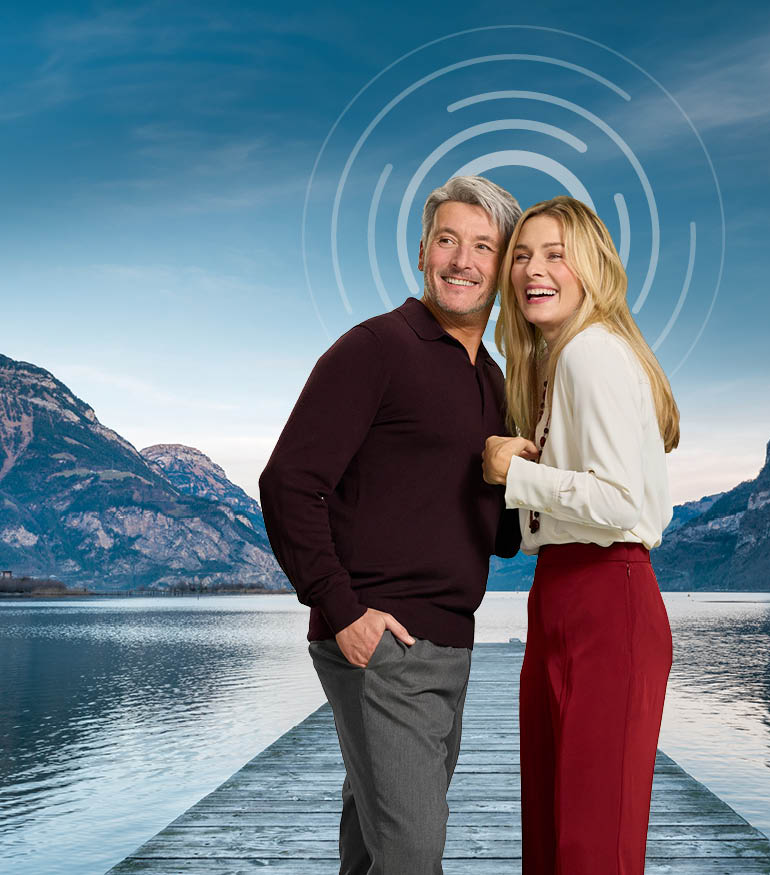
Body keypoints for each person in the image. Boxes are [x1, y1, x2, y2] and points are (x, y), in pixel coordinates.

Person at [259, 175, 522, 875]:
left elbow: (500, 534)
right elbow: (288, 483)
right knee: (412, 855)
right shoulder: (376, 347)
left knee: (376, 850)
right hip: (382, 642)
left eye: (482, 246)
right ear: (421, 253)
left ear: (502, 265)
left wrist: (529, 470)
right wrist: (343, 611)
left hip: (450, 646)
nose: (461, 260)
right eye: (447, 240)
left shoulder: (493, 381)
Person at [482, 195, 678, 875]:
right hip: (564, 595)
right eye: (523, 255)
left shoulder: (592, 352)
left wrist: (514, 474)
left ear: (591, 267)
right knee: (558, 840)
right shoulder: (564, 359)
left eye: (555, 253)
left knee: (591, 849)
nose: (533, 269)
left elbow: (621, 500)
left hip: (605, 596)